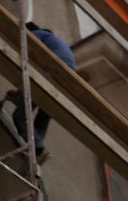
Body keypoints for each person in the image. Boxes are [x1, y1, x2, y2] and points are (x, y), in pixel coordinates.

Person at [6, 22, 76, 161]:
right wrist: (17, 95)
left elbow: (30, 69)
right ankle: (38, 151)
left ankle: (36, 149)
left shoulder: (38, 35)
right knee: (42, 119)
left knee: (20, 115)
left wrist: (17, 96)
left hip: (50, 76)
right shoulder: (54, 42)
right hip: (66, 87)